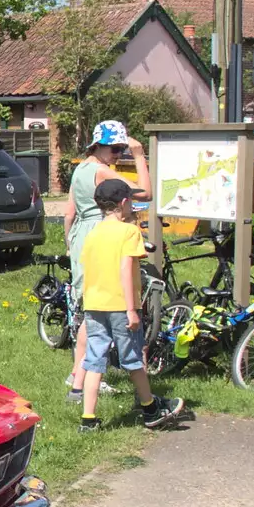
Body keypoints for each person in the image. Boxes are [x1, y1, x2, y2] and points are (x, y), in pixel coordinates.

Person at [78, 177, 184, 431]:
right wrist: (131, 308)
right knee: (133, 358)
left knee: (95, 359)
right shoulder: (129, 232)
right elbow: (126, 268)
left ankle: (88, 419)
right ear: (124, 203)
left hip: (93, 304)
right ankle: (149, 408)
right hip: (119, 305)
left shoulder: (92, 233)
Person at [64, 120, 150, 403]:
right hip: (103, 232)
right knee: (100, 311)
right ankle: (83, 376)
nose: (117, 155)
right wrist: (139, 157)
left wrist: (70, 243)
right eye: (115, 149)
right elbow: (145, 194)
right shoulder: (103, 171)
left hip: (82, 236)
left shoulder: (80, 169)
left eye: (122, 150)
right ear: (98, 146)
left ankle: (78, 375)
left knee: (89, 307)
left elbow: (69, 212)